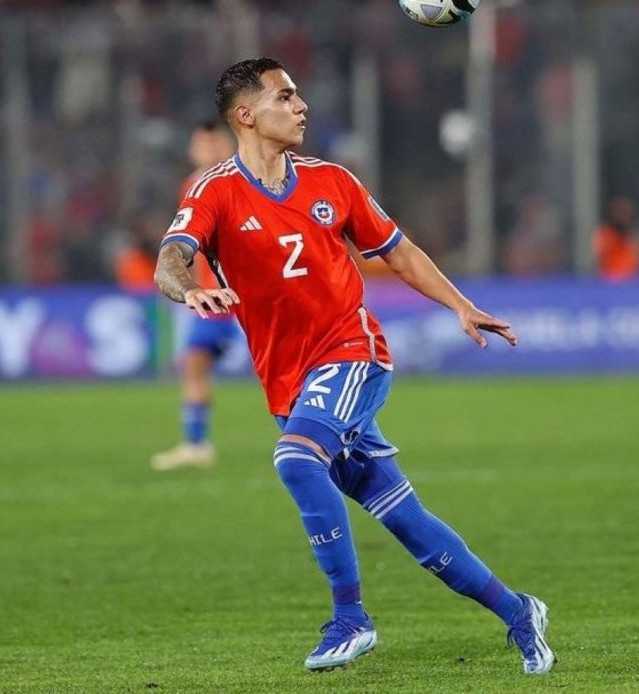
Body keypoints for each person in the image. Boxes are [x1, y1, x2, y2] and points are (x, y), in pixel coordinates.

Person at [154, 58, 555, 675]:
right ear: (246, 114)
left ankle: (350, 618)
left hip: (351, 352)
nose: (301, 106)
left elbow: (399, 252)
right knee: (404, 517)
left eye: (298, 95)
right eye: (285, 96)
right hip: (288, 379)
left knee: (296, 459)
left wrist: (461, 305)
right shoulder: (213, 191)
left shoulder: (332, 182)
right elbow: (169, 261)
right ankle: (518, 610)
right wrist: (191, 289)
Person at [150, 122, 240, 471]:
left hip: (238, 293)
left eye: (216, 143)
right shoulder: (191, 185)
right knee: (194, 363)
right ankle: (196, 443)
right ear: (192, 150)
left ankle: (197, 444)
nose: (210, 150)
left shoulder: (241, 180)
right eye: (203, 144)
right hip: (212, 295)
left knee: (285, 369)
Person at [593, 196, 639, 281]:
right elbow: (601, 258)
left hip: (631, 281)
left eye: (627, 213)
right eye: (622, 212)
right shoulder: (605, 234)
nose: (625, 217)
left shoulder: (630, 236)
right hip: (611, 282)